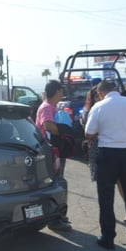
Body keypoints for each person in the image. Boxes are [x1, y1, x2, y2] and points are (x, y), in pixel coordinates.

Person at [85, 80, 126, 250]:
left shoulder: (98, 107)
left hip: (108, 155)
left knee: (106, 198)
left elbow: (89, 133)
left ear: (100, 93)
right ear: (115, 89)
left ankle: (108, 237)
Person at [35, 79, 73, 231]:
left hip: (56, 151)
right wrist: (65, 132)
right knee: (57, 184)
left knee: (59, 183)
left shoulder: (52, 107)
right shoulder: (46, 108)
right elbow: (48, 126)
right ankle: (55, 220)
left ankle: (58, 216)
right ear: (57, 92)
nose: (62, 93)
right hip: (50, 153)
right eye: (61, 91)